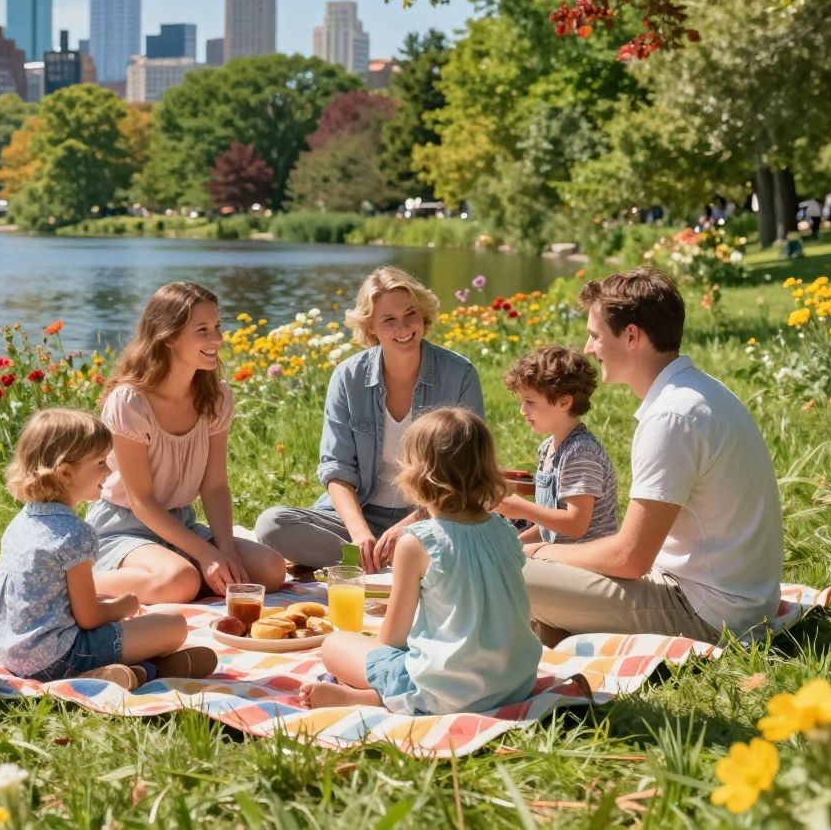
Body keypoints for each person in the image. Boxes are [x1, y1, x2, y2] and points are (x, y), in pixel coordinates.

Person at [522, 267, 784, 646]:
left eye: (595, 336)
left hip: (710, 614)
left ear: (632, 336)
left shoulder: (671, 416)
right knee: (542, 578)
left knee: (504, 569)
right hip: (736, 600)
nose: (587, 348)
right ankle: (551, 634)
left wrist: (539, 551)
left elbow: (630, 558)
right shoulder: (698, 392)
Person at [301, 408, 543, 714]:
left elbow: (392, 639)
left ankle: (379, 698)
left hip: (446, 692)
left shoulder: (417, 542)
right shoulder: (505, 530)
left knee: (335, 645)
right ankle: (386, 697)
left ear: (416, 475)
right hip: (514, 683)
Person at [254, 266, 484, 572]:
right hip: (359, 514)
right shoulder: (348, 377)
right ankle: (381, 561)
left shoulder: (460, 374)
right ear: (370, 326)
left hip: (431, 515)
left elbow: (467, 471)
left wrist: (410, 525)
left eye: (410, 314)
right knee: (272, 525)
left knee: (474, 532)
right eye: (389, 319)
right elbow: (336, 468)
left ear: (423, 315)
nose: (403, 328)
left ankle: (370, 564)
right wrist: (359, 533)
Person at [86, 282, 287, 604]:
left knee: (270, 569)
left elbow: (216, 487)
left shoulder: (216, 397)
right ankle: (78, 585)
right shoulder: (131, 402)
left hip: (180, 523)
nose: (217, 339)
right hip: (124, 528)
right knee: (181, 581)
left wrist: (225, 551)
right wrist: (206, 554)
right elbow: (141, 501)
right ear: (168, 337)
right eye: (203, 330)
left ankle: (173, 577)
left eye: (218, 327)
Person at [0, 408, 218, 688]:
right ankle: (118, 672)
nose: (109, 470)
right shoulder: (74, 534)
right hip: (61, 657)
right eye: (100, 462)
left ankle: (138, 670)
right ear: (65, 472)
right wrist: (124, 605)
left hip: (13, 655)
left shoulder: (21, 522)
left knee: (149, 628)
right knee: (174, 626)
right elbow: (89, 618)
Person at [495, 346, 619, 545]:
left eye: (529, 401)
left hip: (586, 561)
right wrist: (514, 545)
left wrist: (523, 508)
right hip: (559, 553)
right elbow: (549, 526)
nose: (522, 411)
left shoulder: (580, 453)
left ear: (563, 403)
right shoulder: (548, 448)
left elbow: (576, 525)